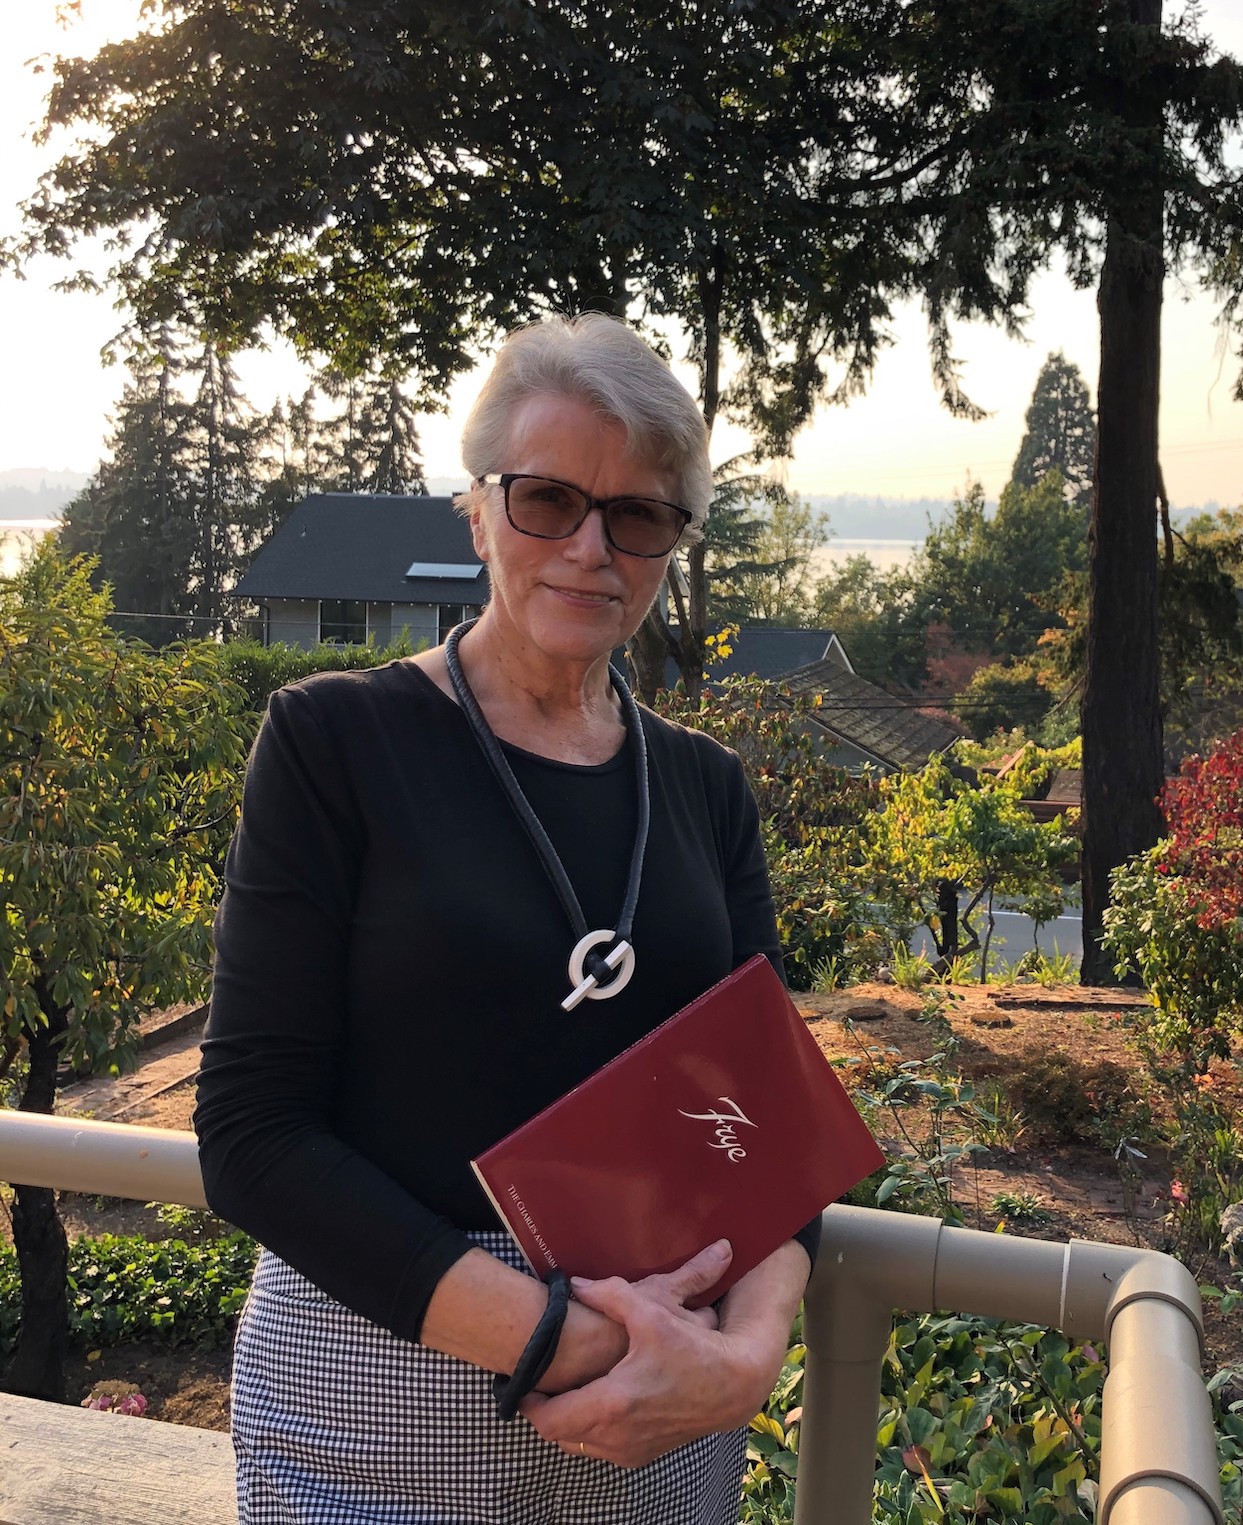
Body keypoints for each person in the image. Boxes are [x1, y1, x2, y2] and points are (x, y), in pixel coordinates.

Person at [194, 313, 815, 1525]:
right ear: (477, 511)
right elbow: (253, 1134)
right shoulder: (335, 745)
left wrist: (743, 1367)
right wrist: (561, 1338)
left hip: (663, 1428)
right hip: (378, 1415)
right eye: (546, 500)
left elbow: (776, 1141)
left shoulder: (705, 790)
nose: (590, 547)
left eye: (637, 514)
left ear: (672, 547)